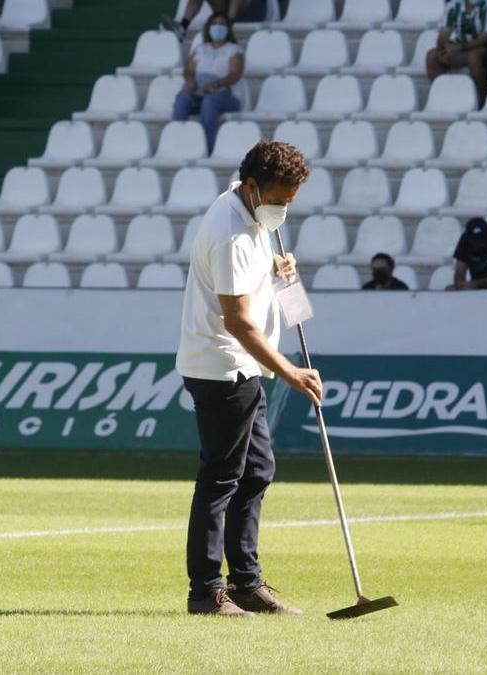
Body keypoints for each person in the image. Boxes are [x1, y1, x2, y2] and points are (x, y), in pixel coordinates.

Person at [176, 140, 320, 617]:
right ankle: (206, 590)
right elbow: (237, 321)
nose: (284, 210)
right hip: (222, 366)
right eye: (280, 200)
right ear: (255, 189)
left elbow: (261, 285)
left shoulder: (251, 210)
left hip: (241, 365)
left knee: (256, 469)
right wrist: (291, 372)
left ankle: (246, 583)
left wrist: (282, 275)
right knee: (221, 476)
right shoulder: (232, 233)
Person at [172, 13, 244, 155]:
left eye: (222, 24)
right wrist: (190, 81)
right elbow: (188, 71)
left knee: (209, 103)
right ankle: (178, 145)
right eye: (214, 24)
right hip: (198, 92)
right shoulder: (200, 48)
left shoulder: (233, 49)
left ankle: (206, 149)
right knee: (182, 99)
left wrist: (216, 85)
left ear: (228, 29)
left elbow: (236, 74)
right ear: (208, 28)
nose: (218, 27)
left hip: (223, 94)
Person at [427, 0, 487, 82]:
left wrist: (459, 47)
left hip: (482, 48)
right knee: (432, 56)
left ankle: (483, 94)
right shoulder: (453, 5)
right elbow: (443, 36)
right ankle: (440, 92)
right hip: (459, 48)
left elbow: (484, 39)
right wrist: (443, 51)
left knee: (473, 57)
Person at [161, 0, 265, 41]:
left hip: (252, 11)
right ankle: (182, 28)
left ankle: (226, 26)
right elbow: (194, 3)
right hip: (223, 14)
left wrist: (227, 25)